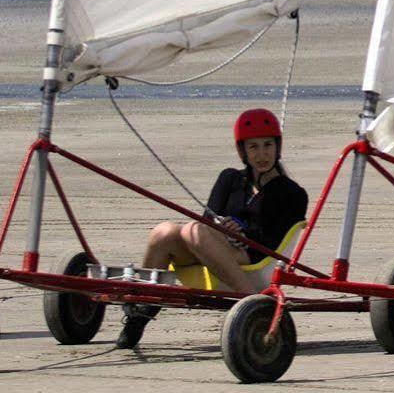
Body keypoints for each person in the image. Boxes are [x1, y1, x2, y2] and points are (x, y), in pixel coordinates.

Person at [116, 107, 309, 348]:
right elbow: (207, 217)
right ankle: (142, 309)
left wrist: (240, 232)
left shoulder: (292, 193)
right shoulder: (230, 179)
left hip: (256, 256)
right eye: (254, 147)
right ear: (243, 151)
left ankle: (254, 303)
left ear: (277, 147)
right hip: (213, 246)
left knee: (194, 231)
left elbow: (274, 240)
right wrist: (220, 226)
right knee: (163, 232)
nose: (262, 155)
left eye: (267, 145)